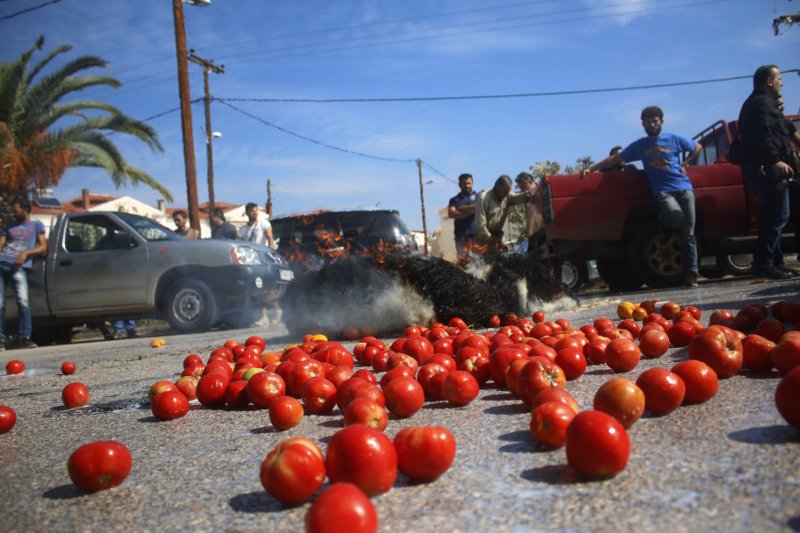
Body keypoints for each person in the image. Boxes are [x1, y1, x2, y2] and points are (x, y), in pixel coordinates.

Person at [582, 106, 703, 287]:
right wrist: (591, 169)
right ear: (643, 124)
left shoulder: (674, 138)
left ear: (661, 121)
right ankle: (665, 226)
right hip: (663, 191)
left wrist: (685, 163)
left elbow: (698, 147)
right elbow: (615, 159)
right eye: (648, 122)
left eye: (655, 121)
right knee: (675, 215)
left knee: (689, 234)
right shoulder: (641, 145)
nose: (652, 124)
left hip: (685, 188)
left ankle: (691, 274)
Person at [736, 65, 796, 279]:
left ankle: (776, 263)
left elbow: (783, 130)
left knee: (775, 216)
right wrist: (775, 160)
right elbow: (764, 134)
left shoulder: (765, 104)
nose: (782, 82)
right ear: (769, 81)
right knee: (776, 216)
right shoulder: (760, 104)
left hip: (763, 167)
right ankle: (764, 262)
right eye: (779, 78)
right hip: (766, 168)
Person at [0, 196, 48, 349]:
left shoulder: (36, 225)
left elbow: (43, 247)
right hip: (2, 264)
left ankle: (24, 337)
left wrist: (26, 253)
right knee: (0, 303)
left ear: (26, 209)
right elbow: (1, 245)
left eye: (16, 210)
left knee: (23, 301)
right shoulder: (8, 227)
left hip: (18, 266)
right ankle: (0, 339)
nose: (14, 214)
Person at [237, 202, 276, 327]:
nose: (255, 213)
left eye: (256, 210)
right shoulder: (243, 229)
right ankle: (264, 316)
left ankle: (274, 312)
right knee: (256, 288)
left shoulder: (264, 223)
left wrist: (271, 253)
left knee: (265, 288)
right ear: (247, 213)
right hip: (250, 262)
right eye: (252, 211)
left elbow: (270, 238)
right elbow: (236, 242)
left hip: (263, 260)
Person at [473, 175, 530, 252]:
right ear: (496, 187)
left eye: (508, 191)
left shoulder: (508, 196)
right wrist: (491, 240)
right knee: (482, 261)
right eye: (504, 192)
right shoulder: (484, 198)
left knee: (505, 256)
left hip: (498, 235)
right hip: (482, 237)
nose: (506, 194)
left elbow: (521, 197)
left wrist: (531, 191)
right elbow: (480, 225)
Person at [448, 173, 478, 262]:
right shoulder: (454, 200)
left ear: (472, 183)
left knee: (479, 262)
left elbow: (478, 208)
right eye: (464, 183)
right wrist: (471, 211)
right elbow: (451, 214)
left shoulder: (478, 197)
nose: (467, 185)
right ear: (460, 184)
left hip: (476, 235)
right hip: (460, 236)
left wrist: (460, 209)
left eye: (469, 183)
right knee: (462, 262)